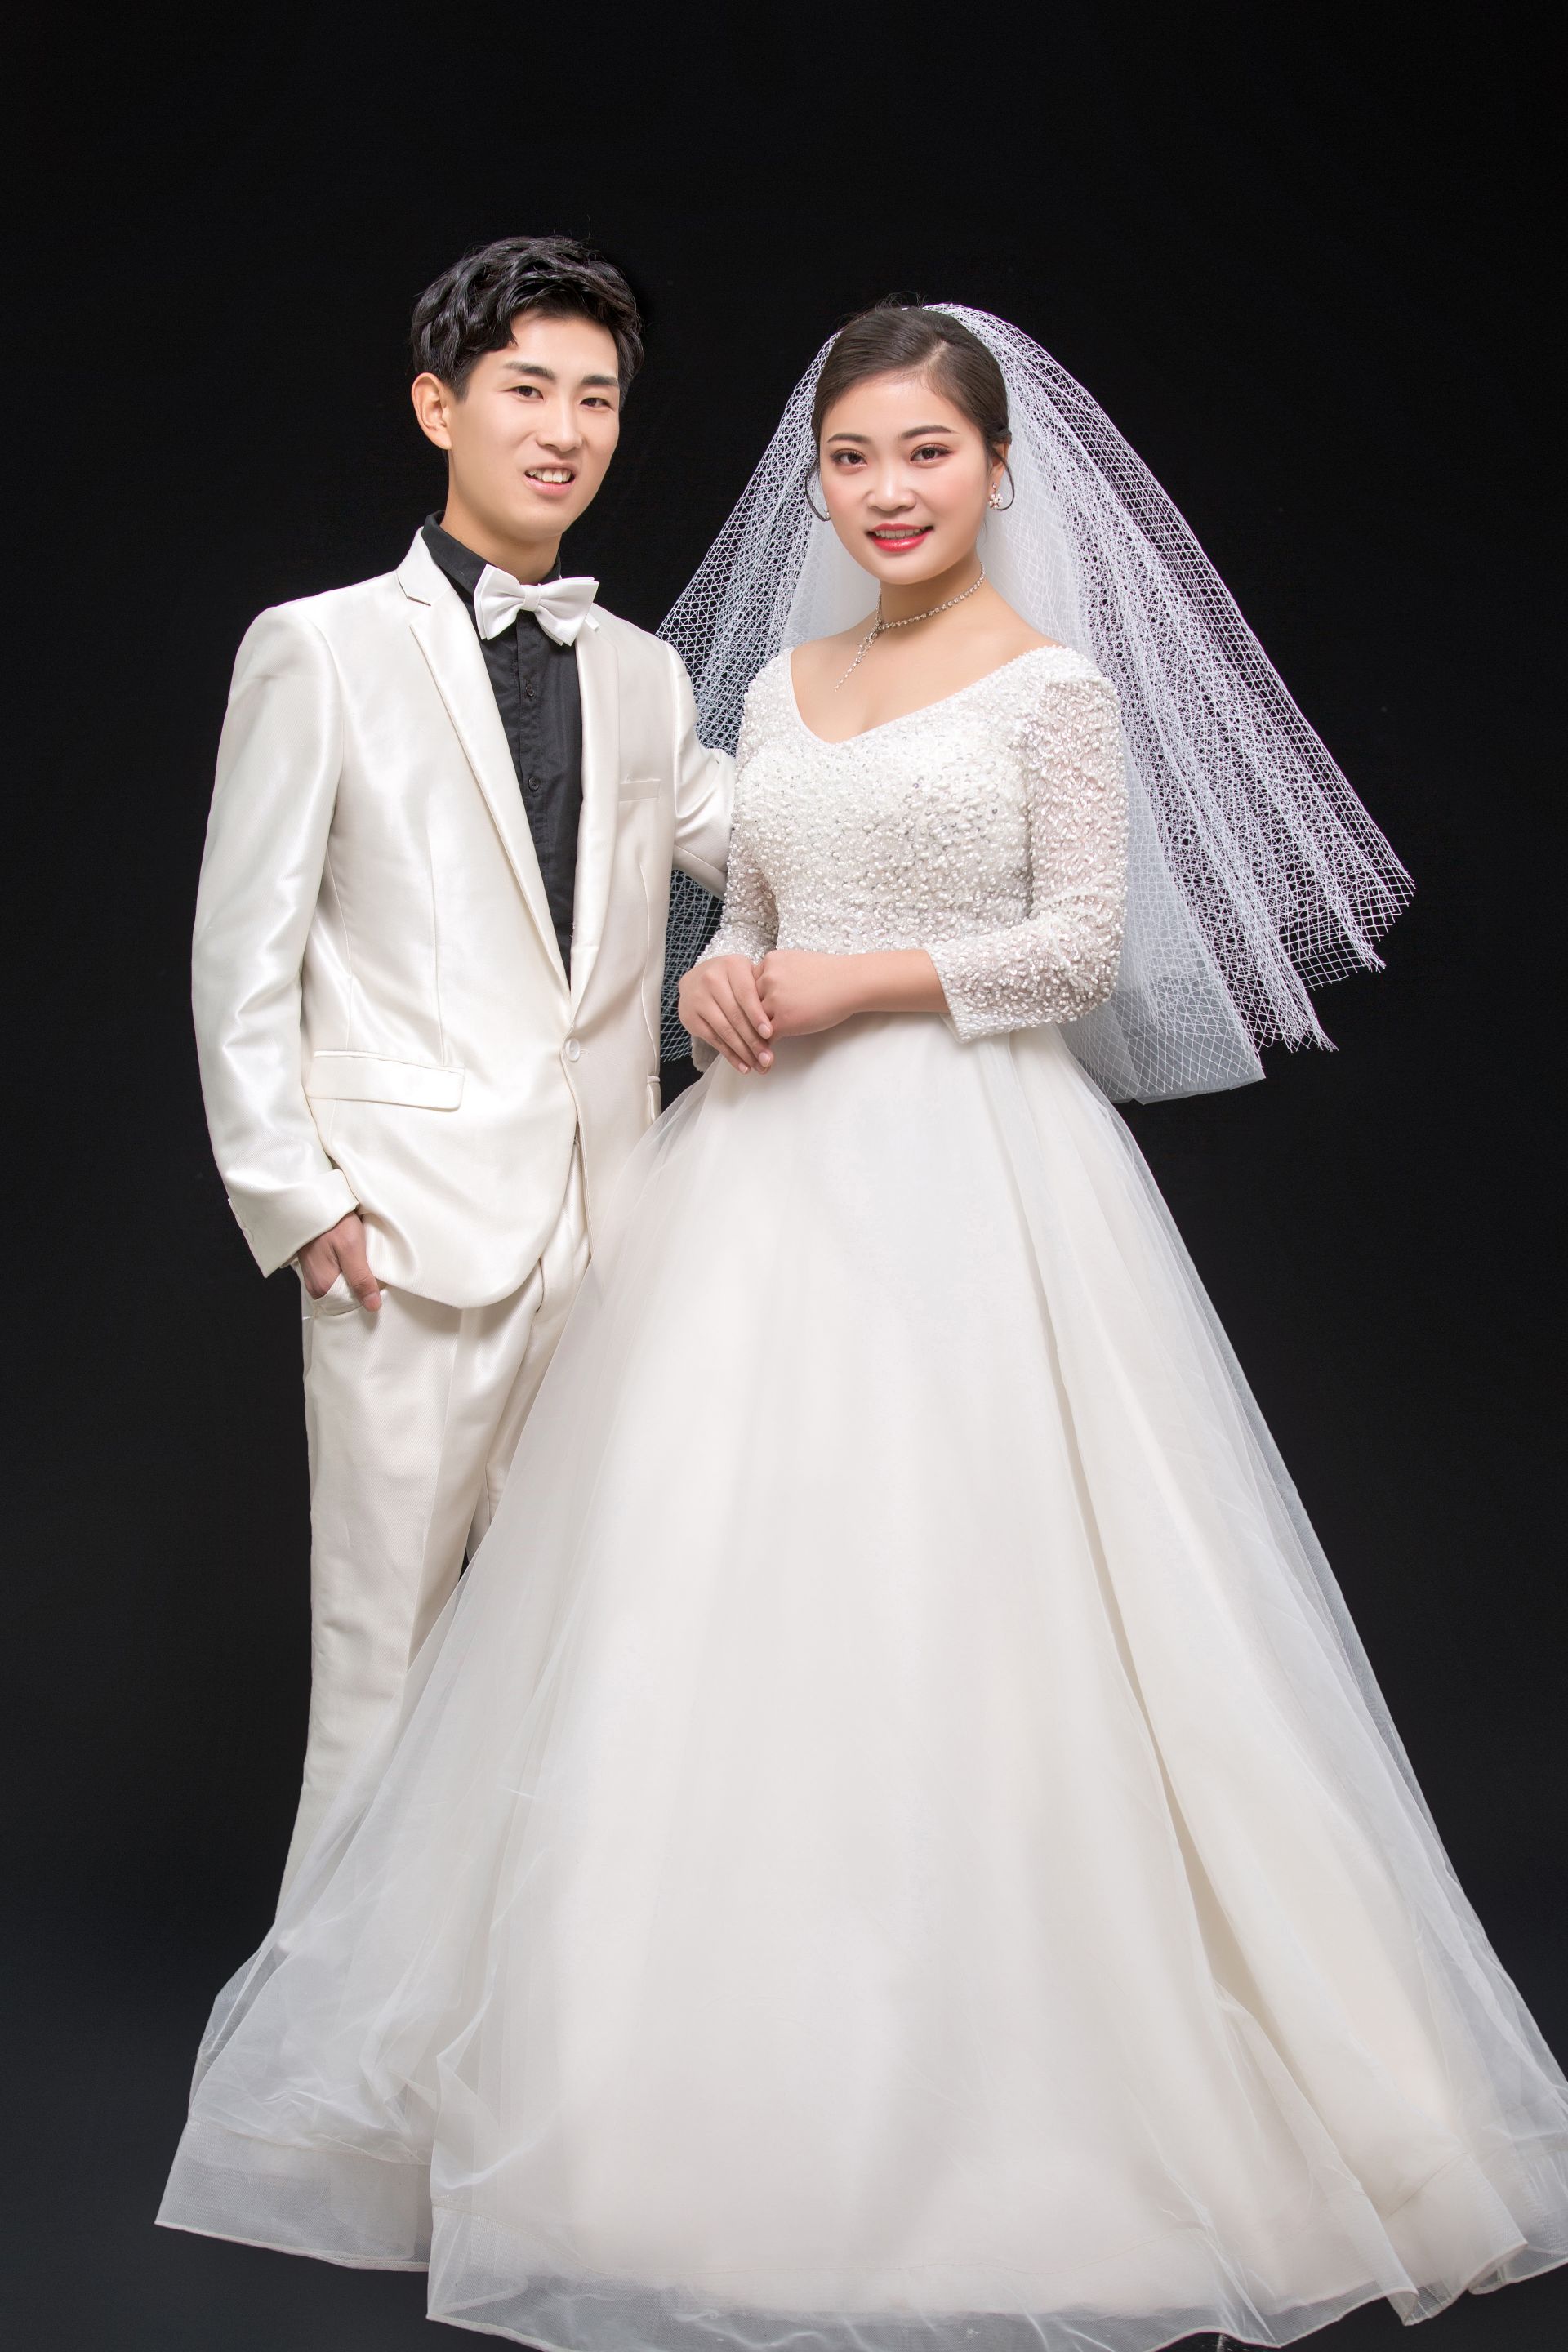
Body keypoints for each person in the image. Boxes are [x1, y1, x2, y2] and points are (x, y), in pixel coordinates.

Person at [162, 305, 1568, 2346]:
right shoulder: (769, 687)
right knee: (694, 1612)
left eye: (926, 452)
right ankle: (603, 2093)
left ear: (999, 469)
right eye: (851, 458)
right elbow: (738, 909)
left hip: (975, 1178)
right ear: (811, 480)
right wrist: (730, 979)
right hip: (744, 1183)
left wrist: (856, 982)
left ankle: (970, 2090)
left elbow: (1079, 945)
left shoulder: (1053, 686)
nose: (888, 491)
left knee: (974, 1602)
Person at [190, 234, 733, 1894]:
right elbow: (242, 950)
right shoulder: (318, 649)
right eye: (528, 390)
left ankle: (536, 2020)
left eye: (598, 399)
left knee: (596, 1669)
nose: (565, 430)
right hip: (405, 1241)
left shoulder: (646, 675)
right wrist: (297, 1200)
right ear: (441, 406)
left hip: (613, 1237)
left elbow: (769, 846)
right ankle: (326, 2048)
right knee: (382, 1678)